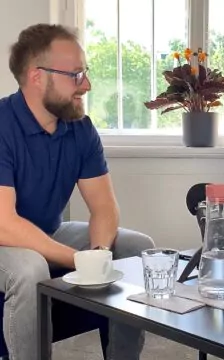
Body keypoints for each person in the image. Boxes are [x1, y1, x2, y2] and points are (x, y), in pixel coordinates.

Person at [0, 24, 155, 360]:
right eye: (76, 74)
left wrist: (99, 252)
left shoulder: (80, 129)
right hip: (3, 238)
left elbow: (104, 207)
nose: (86, 84)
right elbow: (5, 225)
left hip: (48, 230)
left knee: (138, 247)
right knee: (30, 269)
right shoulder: (2, 125)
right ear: (37, 76)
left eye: (85, 72)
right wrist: (81, 261)